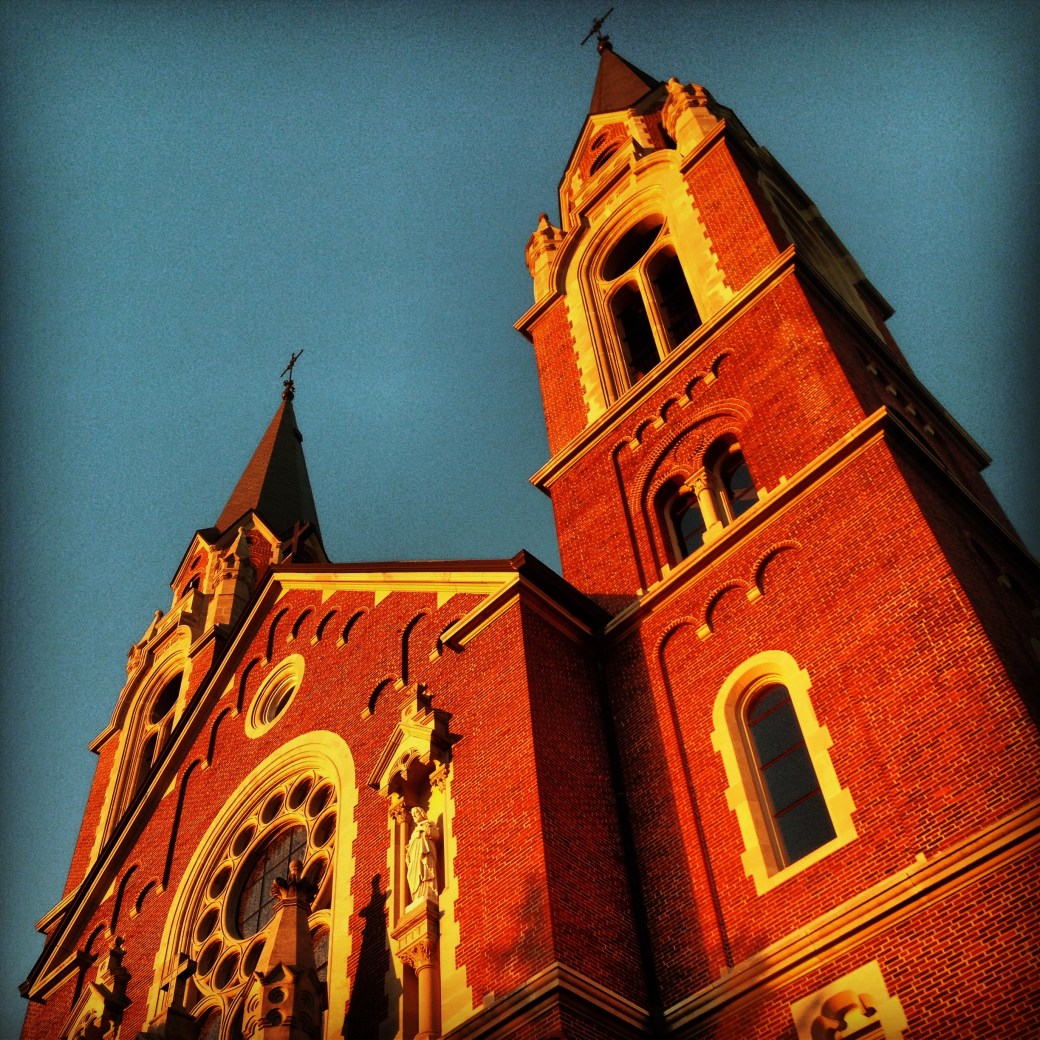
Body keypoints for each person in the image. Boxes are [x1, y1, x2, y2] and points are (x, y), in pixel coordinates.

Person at [405, 806, 438, 904]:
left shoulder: (428, 824)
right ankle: (417, 896)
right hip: (415, 859)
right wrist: (408, 852)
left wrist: (423, 828)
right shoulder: (414, 832)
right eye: (412, 814)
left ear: (422, 813)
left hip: (425, 855)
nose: (414, 816)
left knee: (425, 872)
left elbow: (436, 834)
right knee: (414, 875)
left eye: (416, 813)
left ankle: (428, 893)